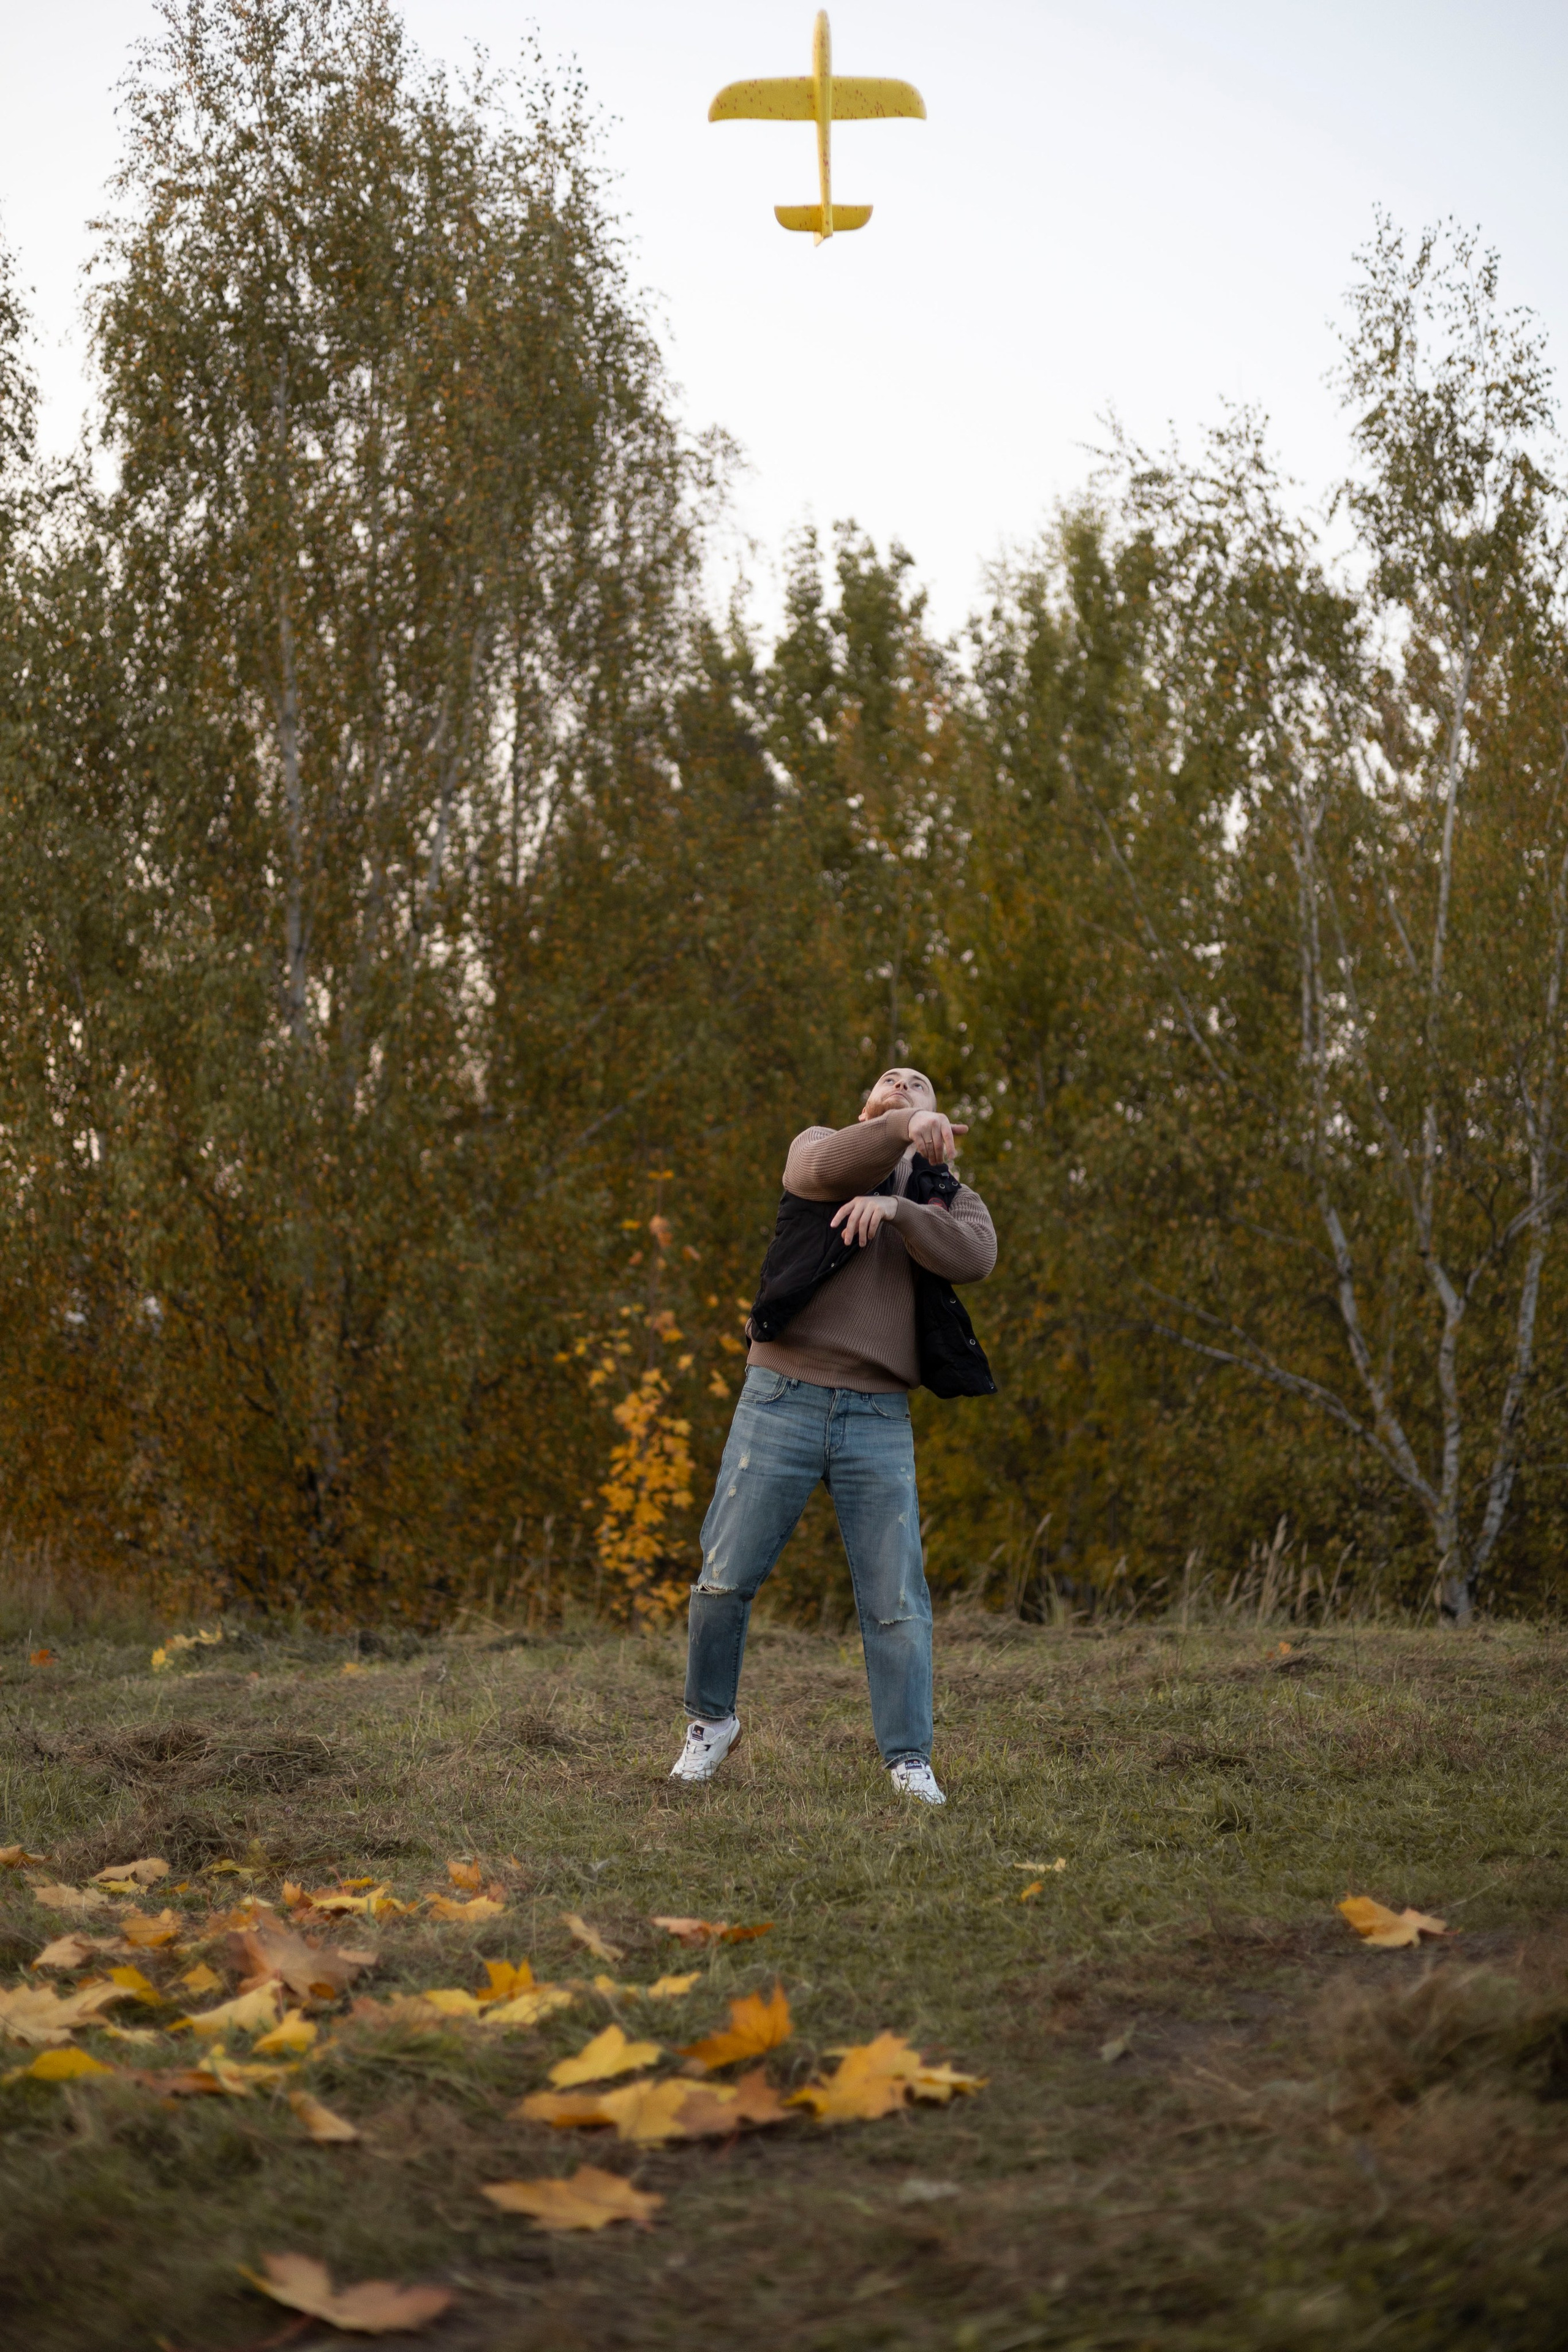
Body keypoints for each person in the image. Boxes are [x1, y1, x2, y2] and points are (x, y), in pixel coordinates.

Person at [669, 1068, 997, 1804]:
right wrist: (892, 1133)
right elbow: (819, 1168)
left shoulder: (948, 1198)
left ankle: (908, 1759)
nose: (901, 1080)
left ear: (940, 1121)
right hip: (778, 1398)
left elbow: (973, 1258)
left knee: (896, 1601)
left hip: (879, 1416)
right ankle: (709, 1723)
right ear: (867, 1109)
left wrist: (898, 1209)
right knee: (723, 1579)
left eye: (918, 1084)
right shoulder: (822, 1147)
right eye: (889, 1079)